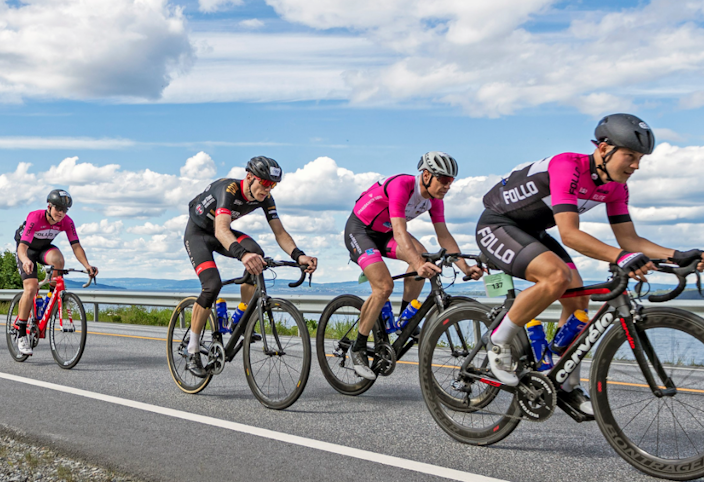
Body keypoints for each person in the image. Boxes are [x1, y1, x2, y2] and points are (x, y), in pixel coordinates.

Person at [474, 113, 704, 417]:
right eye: (630, 156)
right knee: (556, 277)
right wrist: (620, 257)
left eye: (640, 158)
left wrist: (676, 255)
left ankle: (563, 380)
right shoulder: (567, 166)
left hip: (532, 231)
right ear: (603, 149)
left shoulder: (615, 187)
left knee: (578, 299)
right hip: (497, 224)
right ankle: (499, 343)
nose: (636, 165)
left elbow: (629, 239)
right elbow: (570, 234)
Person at [343, 152, 483, 380]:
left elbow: (444, 236)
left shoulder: (436, 200)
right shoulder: (402, 185)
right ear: (426, 175)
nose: (448, 186)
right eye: (444, 180)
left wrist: (464, 267)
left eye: (451, 181)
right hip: (361, 231)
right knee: (384, 287)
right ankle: (357, 347)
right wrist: (417, 263)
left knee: (425, 259)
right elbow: (400, 232)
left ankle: (404, 321)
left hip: (385, 233)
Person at [183, 156, 318, 376]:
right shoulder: (229, 190)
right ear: (249, 177)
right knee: (212, 285)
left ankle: (240, 317)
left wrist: (298, 255)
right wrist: (242, 254)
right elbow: (221, 230)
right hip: (199, 234)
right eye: (264, 184)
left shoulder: (265, 198)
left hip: (221, 233)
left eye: (272, 185)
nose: (267, 189)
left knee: (258, 257)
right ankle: (193, 350)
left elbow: (280, 232)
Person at [12, 189, 98, 356]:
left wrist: (87, 265)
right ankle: (22, 333)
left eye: (65, 210)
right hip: (27, 250)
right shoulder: (35, 217)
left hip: (44, 249)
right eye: (58, 208)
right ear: (49, 206)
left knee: (59, 259)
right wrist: (26, 260)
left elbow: (76, 246)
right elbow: (22, 247)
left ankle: (52, 299)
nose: (61, 213)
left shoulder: (67, 221)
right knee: (31, 288)